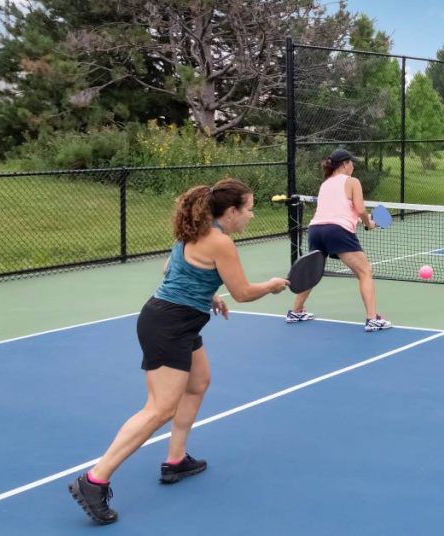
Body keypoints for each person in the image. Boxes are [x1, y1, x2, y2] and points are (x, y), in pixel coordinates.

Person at [68, 178, 288, 525]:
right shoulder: (221, 242)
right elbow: (244, 293)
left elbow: (172, 269)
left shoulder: (193, 231)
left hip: (175, 320)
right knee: (159, 410)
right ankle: (94, 480)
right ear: (231, 212)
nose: (252, 215)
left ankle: (175, 459)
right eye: (249, 208)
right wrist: (272, 286)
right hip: (169, 325)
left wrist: (209, 294)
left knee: (199, 382)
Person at [286, 148, 392, 332]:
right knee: (365, 271)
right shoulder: (352, 182)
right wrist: (368, 223)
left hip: (316, 229)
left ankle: (295, 311)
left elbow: (340, 212)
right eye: (351, 162)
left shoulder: (326, 184)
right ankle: (372, 319)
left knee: (312, 272)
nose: (353, 166)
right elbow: (359, 210)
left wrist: (367, 222)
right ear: (344, 164)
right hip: (336, 231)